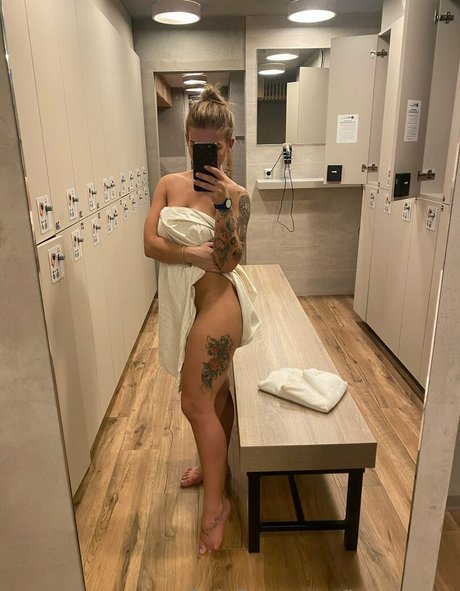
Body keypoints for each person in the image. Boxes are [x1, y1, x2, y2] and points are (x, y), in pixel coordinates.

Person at [143, 85, 260, 555]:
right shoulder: (169, 184)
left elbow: (229, 260)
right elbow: (149, 244)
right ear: (188, 141)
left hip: (217, 306)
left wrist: (224, 203)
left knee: (194, 404)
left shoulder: (238, 196)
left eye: (213, 147)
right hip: (186, 305)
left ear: (229, 145)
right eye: (196, 145)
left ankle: (217, 507)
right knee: (216, 396)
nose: (204, 155)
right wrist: (188, 253)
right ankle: (219, 471)